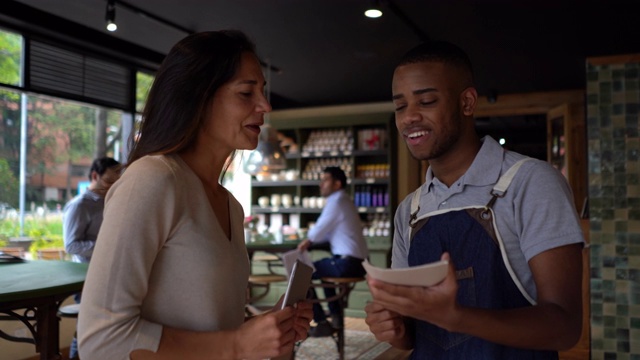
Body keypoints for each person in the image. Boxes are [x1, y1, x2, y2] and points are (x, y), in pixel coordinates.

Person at [78, 30, 312, 360]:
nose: (265, 105)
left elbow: (210, 329)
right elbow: (101, 340)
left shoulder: (230, 205)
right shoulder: (152, 179)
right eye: (246, 92)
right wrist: (237, 345)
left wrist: (266, 330)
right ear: (198, 97)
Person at [364, 40, 584, 359]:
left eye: (425, 101)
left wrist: (457, 317)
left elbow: (564, 327)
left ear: (467, 102)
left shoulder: (530, 182)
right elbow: (414, 334)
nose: (409, 117)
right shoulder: (409, 211)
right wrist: (396, 329)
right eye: (400, 106)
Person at [297, 166, 368, 337]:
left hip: (347, 263)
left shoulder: (336, 202)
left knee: (302, 274)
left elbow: (317, 231)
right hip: (356, 262)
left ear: (337, 184)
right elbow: (327, 234)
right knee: (321, 270)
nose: (321, 183)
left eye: (325, 179)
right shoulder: (344, 200)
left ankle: (321, 322)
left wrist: (307, 241)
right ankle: (335, 315)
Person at [62, 156, 121, 359]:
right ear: (95, 176)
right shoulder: (80, 205)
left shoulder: (112, 202)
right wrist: (106, 246)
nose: (113, 186)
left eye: (117, 182)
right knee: (86, 330)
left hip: (110, 275)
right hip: (86, 277)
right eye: (109, 181)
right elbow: (71, 245)